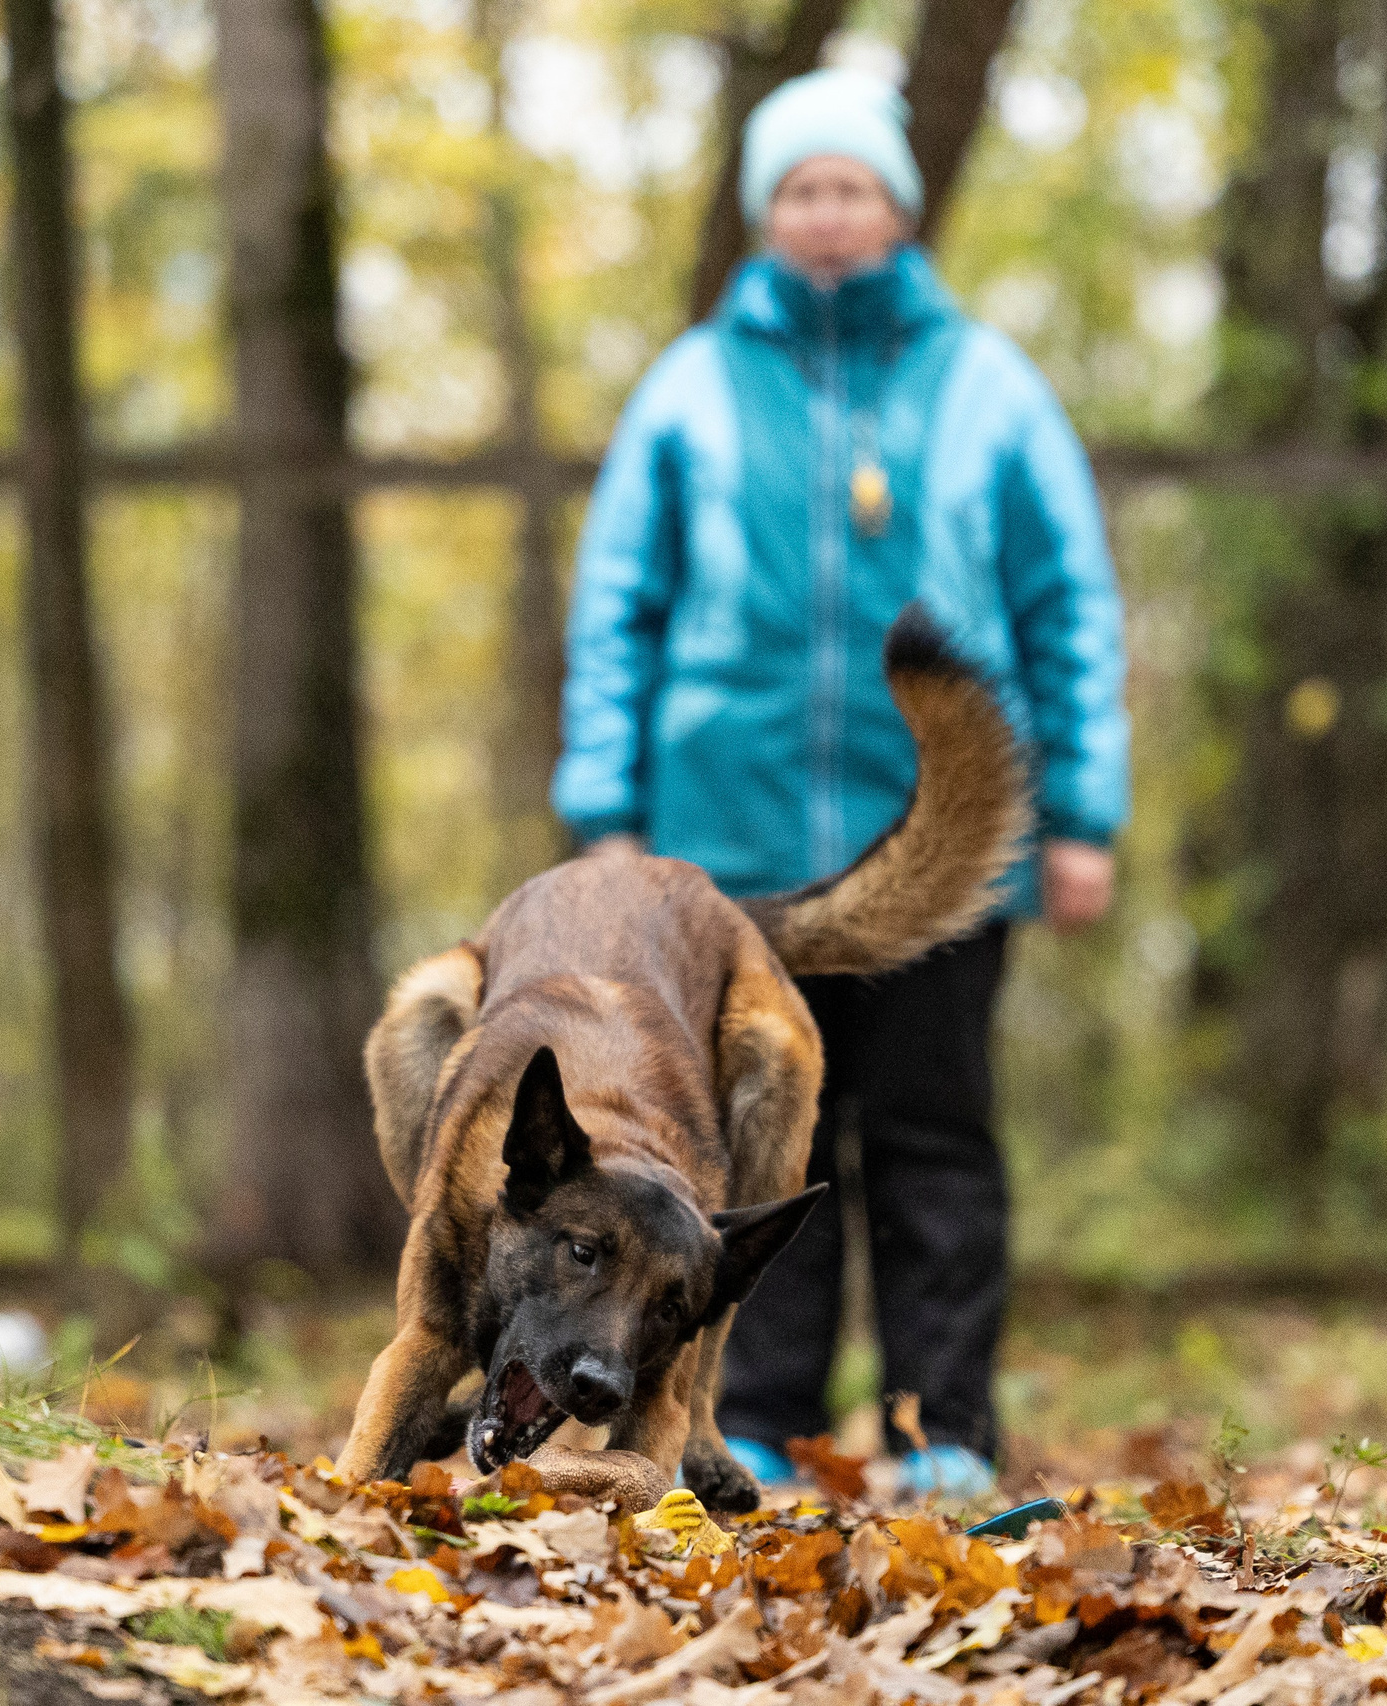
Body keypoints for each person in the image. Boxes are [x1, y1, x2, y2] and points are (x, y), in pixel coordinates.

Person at [554, 69, 1127, 1499]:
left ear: (897, 206)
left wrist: (1083, 815)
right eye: (800, 188)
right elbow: (618, 601)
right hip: (726, 849)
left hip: (937, 840)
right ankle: (763, 1421)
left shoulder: (988, 384)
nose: (825, 213)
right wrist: (604, 811)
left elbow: (1070, 603)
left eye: (850, 187)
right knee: (753, 1149)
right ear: (768, 211)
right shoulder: (689, 386)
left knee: (936, 1139)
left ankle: (947, 1430)